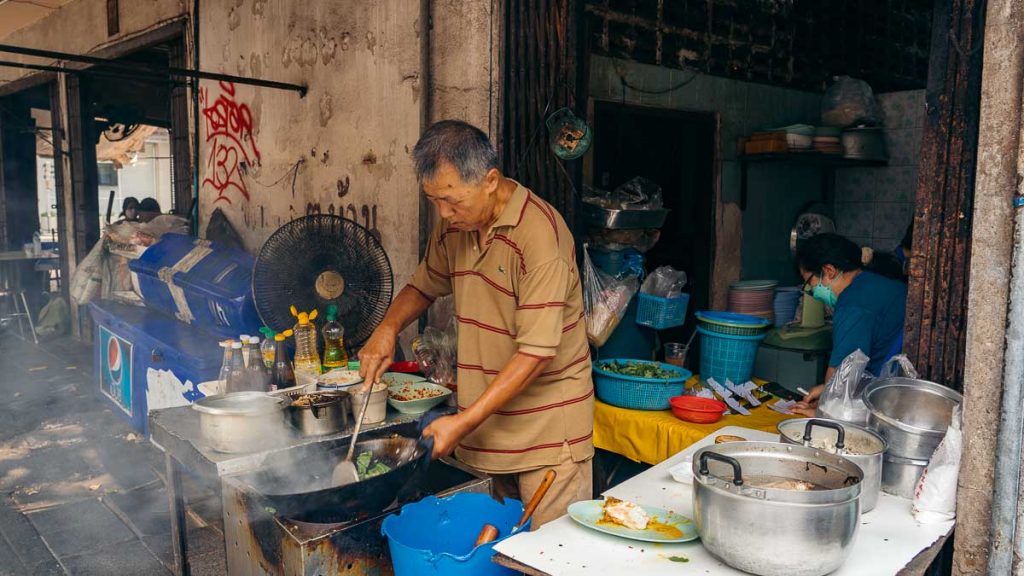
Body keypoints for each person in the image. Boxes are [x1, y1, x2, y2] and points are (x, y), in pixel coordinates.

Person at [358, 120, 594, 527]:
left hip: (548, 438)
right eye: (433, 200)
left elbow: (536, 354)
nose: (444, 214)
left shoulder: (540, 239)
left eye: (452, 201)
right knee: (493, 555)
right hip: (487, 429)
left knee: (550, 560)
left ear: (490, 180)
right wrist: (387, 328)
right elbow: (424, 285)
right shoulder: (456, 227)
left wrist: (462, 423)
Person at [792, 233, 907, 417]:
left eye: (809, 283)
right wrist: (825, 388)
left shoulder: (852, 304)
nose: (812, 291)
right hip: (900, 391)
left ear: (829, 270)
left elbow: (842, 374)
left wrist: (820, 411)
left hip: (893, 402)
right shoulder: (877, 282)